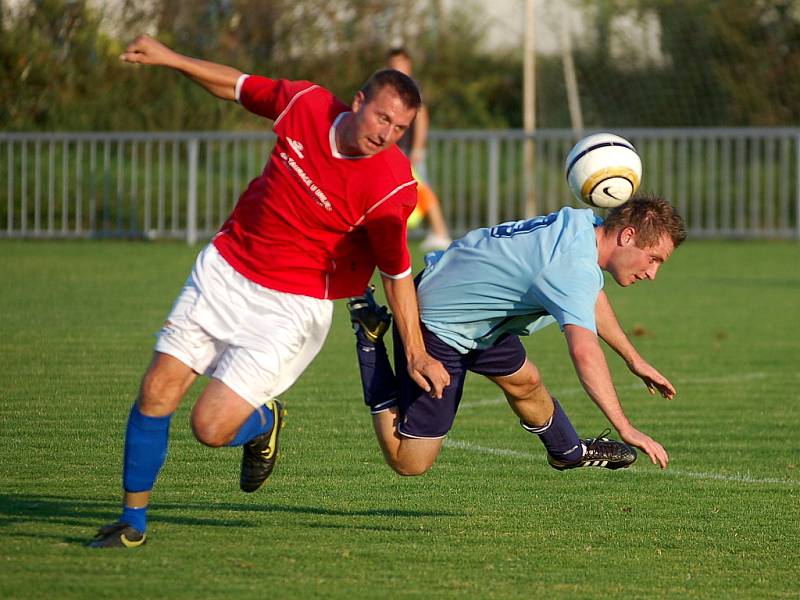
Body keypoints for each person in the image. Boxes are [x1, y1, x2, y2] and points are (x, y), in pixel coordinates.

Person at [88, 34, 449, 548]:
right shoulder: (306, 104)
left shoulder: (392, 187)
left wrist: (414, 351)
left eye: (400, 128)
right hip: (226, 269)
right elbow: (235, 85)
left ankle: (261, 422)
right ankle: (132, 521)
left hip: (292, 309)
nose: (388, 134)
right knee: (155, 391)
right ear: (358, 101)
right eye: (382, 118)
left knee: (209, 427)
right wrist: (169, 58)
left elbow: (395, 274)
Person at [348, 195, 686, 475]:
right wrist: (625, 427)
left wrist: (634, 360)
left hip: (475, 307)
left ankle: (567, 451)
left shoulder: (583, 227)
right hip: (439, 321)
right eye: (653, 259)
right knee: (410, 461)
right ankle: (369, 339)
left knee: (525, 381)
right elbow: (585, 352)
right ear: (627, 237)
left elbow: (590, 297)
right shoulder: (572, 267)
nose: (653, 273)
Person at [385, 47, 452, 251]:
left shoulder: (410, 87)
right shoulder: (391, 87)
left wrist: (418, 148)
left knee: (421, 189)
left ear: (408, 65)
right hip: (396, 149)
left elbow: (422, 117)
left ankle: (441, 232)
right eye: (392, 64)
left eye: (399, 64)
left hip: (407, 150)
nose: (396, 68)